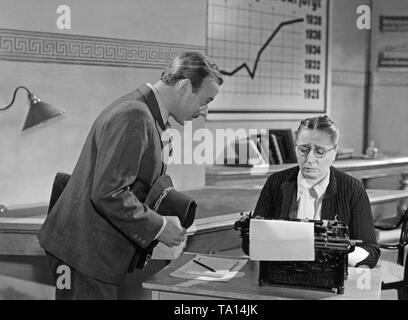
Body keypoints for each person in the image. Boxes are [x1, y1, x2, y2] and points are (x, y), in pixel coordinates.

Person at [38, 51, 223, 299]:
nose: (204, 112)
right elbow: (109, 193)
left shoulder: (146, 113)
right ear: (184, 86)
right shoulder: (134, 114)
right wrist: (159, 227)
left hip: (90, 254)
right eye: (205, 101)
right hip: (83, 254)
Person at [254, 116, 380, 268]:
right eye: (303, 149)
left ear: (334, 153)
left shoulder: (353, 188)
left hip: (329, 280)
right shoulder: (275, 182)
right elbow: (250, 242)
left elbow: (371, 253)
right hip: (282, 276)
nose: (309, 159)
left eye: (319, 151)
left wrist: (332, 251)